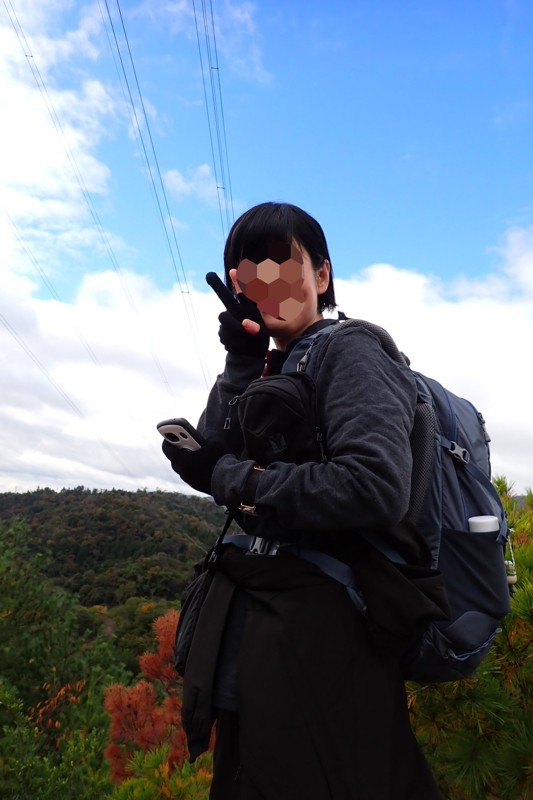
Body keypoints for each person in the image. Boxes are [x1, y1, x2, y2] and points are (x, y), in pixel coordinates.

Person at [162, 202, 443, 799]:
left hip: (327, 652)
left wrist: (233, 477)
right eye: (248, 277)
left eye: (281, 270)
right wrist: (239, 363)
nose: (266, 287)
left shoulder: (352, 351)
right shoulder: (269, 366)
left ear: (320, 276)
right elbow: (218, 456)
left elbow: (375, 485)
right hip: (267, 645)